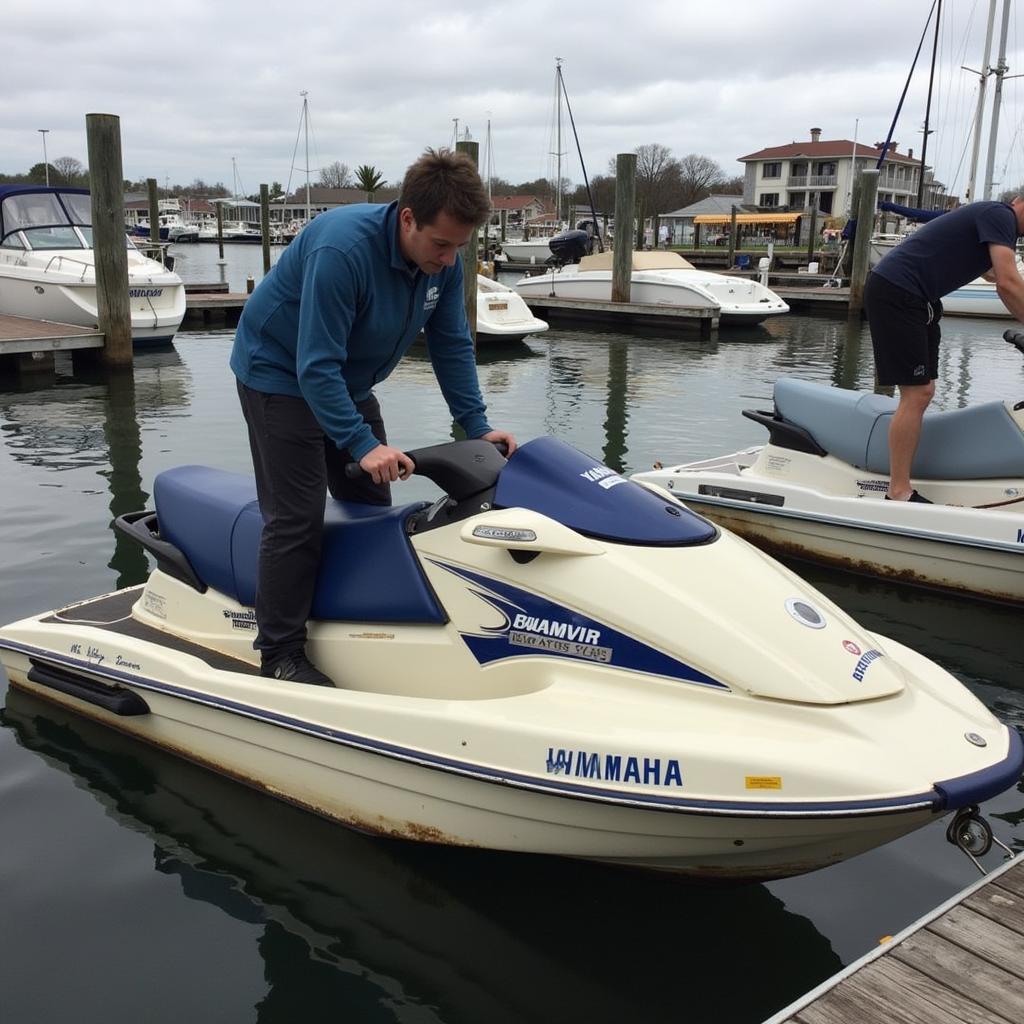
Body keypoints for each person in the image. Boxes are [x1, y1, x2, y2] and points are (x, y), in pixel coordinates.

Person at [230, 148, 517, 686]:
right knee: (297, 518)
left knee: (370, 498)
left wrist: (476, 425)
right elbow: (314, 365)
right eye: (441, 244)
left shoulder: (444, 261)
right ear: (408, 218)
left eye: (460, 246)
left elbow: (452, 343)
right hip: (278, 373)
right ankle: (280, 654)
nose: (450, 259)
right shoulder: (344, 249)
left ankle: (358, 621)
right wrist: (362, 443)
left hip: (349, 379)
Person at [865, 196, 1024, 502]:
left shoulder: (999, 225)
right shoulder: (999, 215)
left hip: (919, 298)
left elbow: (995, 275)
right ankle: (898, 490)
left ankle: (903, 481)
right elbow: (1006, 283)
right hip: (898, 292)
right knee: (917, 392)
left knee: (923, 392)